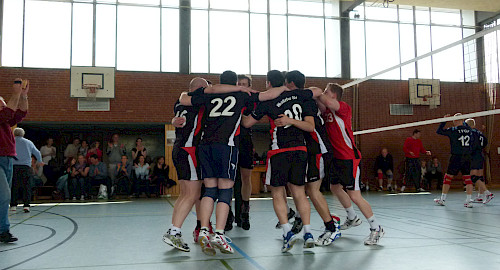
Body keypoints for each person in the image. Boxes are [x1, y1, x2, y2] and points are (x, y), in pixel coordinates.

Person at [180, 71, 287, 255]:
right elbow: (268, 95)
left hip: (205, 146)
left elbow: (184, 99)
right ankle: (219, 233)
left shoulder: (209, 93)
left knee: (210, 190)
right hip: (226, 146)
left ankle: (204, 229)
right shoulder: (241, 94)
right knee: (225, 190)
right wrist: (284, 88)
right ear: (236, 83)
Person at [164, 77, 249, 252]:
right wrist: (238, 89)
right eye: (207, 87)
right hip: (190, 149)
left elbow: (182, 98)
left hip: (179, 149)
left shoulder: (180, 102)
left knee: (186, 194)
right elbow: (213, 92)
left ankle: (178, 230)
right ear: (202, 89)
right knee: (193, 194)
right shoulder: (201, 100)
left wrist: (173, 121)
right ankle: (177, 231)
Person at [243, 70, 318, 252]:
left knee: (277, 192)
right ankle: (308, 232)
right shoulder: (301, 96)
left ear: (269, 83)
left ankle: (287, 232)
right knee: (300, 193)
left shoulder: (268, 100)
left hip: (280, 151)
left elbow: (247, 123)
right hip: (300, 150)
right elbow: (311, 123)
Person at [317, 83, 384, 245]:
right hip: (336, 158)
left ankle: (376, 228)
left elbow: (325, 100)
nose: (324, 94)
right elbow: (320, 104)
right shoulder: (326, 111)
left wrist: (317, 92)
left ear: (333, 95)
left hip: (348, 157)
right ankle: (352, 217)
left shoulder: (343, 108)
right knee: (335, 187)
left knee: (354, 195)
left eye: (327, 92)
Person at [295, 85, 342, 246]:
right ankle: (300, 218)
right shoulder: (298, 104)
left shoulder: (308, 100)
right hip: (309, 152)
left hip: (319, 150)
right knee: (301, 188)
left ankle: (331, 227)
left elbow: (316, 90)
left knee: (312, 190)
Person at [0, 78, 28, 243]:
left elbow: (20, 113)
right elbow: (9, 111)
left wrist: (23, 96)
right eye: (1, 103)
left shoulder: (5, 120)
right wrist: (15, 94)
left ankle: (3, 230)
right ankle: (3, 229)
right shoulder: (3, 116)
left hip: (8, 159)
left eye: (4, 102)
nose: (4, 104)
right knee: (4, 195)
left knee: (4, 195)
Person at [434, 113, 474, 207]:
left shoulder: (453, 130)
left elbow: (439, 131)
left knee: (448, 178)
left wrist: (444, 121)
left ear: (455, 121)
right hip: (467, 157)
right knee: (467, 178)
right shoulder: (469, 130)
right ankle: (468, 201)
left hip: (456, 157)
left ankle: (443, 199)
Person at [10, 128, 43, 213]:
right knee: (26, 186)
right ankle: (26, 205)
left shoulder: (11, 141)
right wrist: (40, 161)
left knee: (14, 186)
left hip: (14, 166)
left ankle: (13, 205)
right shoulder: (28, 142)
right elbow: (37, 152)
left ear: (14, 134)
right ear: (23, 134)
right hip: (26, 167)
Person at [466, 119, 494, 204]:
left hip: (474, 155)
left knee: (473, 177)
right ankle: (480, 196)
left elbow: (472, 144)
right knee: (480, 176)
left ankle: (487, 193)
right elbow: (485, 142)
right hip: (480, 155)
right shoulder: (480, 133)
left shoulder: (471, 133)